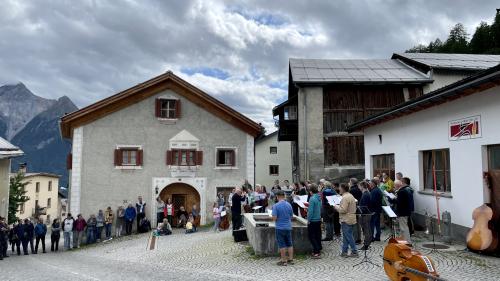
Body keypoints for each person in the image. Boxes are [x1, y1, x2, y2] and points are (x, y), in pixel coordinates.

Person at [334, 183, 358, 258]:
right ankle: (344, 251)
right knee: (346, 236)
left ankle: (354, 251)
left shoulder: (345, 197)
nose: (339, 189)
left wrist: (335, 206)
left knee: (348, 236)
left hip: (346, 219)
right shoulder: (350, 195)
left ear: (343, 189)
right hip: (350, 218)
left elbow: (343, 210)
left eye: (340, 188)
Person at [272, 189, 294, 266]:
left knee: (282, 244)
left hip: (280, 228)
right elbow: (291, 216)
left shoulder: (275, 206)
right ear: (284, 196)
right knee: (289, 243)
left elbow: (274, 218)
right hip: (288, 227)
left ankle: (284, 260)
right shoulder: (289, 205)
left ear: (277, 197)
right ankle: (291, 259)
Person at [391, 178, 414, 244]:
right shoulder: (405, 190)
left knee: (404, 228)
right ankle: (404, 241)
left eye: (395, 185)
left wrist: (393, 199)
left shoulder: (402, 191)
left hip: (403, 212)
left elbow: (399, 202)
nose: (394, 187)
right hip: (405, 211)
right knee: (403, 227)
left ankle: (408, 242)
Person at [307, 184, 322, 258]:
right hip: (318, 219)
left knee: (311, 236)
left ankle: (316, 251)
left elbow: (311, 211)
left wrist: (308, 220)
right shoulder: (319, 197)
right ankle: (319, 248)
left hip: (313, 220)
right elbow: (320, 208)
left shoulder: (312, 198)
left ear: (311, 191)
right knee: (317, 235)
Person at [358, 181, 373, 250]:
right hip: (367, 213)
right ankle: (367, 242)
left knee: (366, 229)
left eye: (359, 186)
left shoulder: (365, 194)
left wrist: (360, 209)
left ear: (362, 186)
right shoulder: (366, 193)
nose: (358, 187)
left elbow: (364, 206)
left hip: (365, 214)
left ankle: (366, 244)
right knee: (367, 229)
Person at [349, 178, 362, 244]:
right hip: (358, 208)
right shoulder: (359, 189)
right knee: (358, 225)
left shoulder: (351, 190)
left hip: (353, 208)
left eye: (350, 181)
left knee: (354, 224)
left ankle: (356, 239)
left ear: (352, 182)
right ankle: (359, 238)